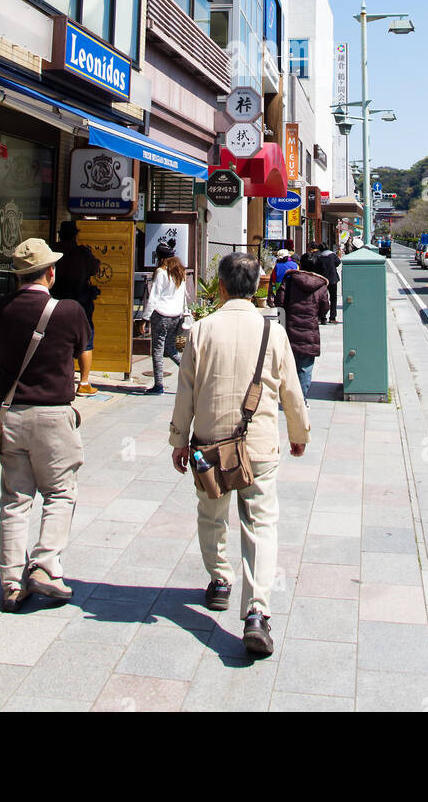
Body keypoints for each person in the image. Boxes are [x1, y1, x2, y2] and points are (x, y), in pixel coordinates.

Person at [169, 252, 309, 657]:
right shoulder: (272, 333)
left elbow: (186, 391)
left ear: (222, 286)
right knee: (261, 523)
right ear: (259, 286)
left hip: (211, 443)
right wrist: (299, 433)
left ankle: (219, 581)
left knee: (211, 513)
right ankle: (257, 613)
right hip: (259, 444)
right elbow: (290, 391)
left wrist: (180, 439)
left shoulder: (201, 330)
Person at [0, 238, 89, 612]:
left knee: (15, 501)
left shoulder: (1, 308)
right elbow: (81, 350)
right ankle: (46, 567)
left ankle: (11, 583)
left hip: (10, 415)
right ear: (50, 272)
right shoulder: (68, 311)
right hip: (52, 415)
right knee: (60, 493)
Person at [50, 220, 101, 396]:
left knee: (53, 337)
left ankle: (56, 377)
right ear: (75, 235)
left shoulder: (51, 251)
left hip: (54, 300)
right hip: (79, 301)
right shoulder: (82, 253)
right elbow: (95, 269)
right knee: (86, 339)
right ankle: (84, 383)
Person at [274, 254, 329, 401]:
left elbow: (279, 301)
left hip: (290, 329)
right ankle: (301, 401)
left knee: (289, 366)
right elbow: (324, 309)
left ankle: (288, 400)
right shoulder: (321, 285)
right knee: (305, 368)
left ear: (301, 265)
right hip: (310, 332)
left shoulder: (290, 280)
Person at [140, 243, 189, 394]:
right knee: (171, 348)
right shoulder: (180, 272)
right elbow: (183, 296)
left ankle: (158, 385)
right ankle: (192, 374)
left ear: (160, 257)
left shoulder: (161, 272)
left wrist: (145, 318)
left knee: (157, 350)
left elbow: (154, 297)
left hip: (161, 315)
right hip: (176, 315)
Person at [314, 241, 341, 323]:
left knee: (322, 299)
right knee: (333, 299)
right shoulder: (332, 255)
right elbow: (338, 262)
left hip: (323, 280)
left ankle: (322, 317)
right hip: (333, 279)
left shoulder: (319, 257)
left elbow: (317, 268)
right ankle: (332, 317)